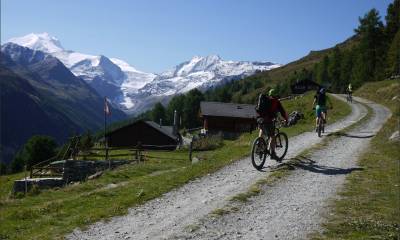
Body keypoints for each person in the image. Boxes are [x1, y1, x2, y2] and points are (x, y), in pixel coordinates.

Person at [257, 88, 288, 160]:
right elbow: (283, 112)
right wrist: (286, 119)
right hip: (268, 121)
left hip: (260, 119)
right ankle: (273, 153)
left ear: (269, 94)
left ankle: (259, 142)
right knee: (272, 136)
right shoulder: (276, 102)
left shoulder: (264, 99)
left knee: (262, 128)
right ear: (276, 95)